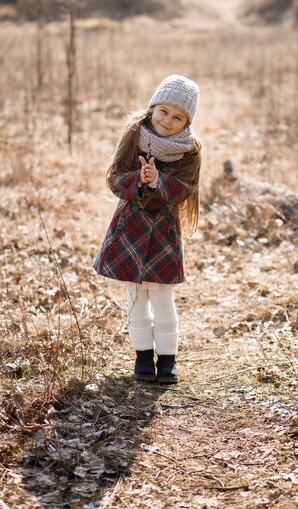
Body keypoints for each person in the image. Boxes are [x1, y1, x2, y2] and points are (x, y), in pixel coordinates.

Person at [93, 75, 202, 384]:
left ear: (187, 121)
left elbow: (185, 188)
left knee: (163, 296)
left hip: (164, 232)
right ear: (154, 106)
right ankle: (142, 356)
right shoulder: (134, 134)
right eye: (164, 111)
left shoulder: (190, 150)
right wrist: (138, 179)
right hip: (130, 228)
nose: (168, 120)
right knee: (136, 293)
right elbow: (115, 178)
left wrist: (158, 181)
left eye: (178, 117)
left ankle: (167, 359)